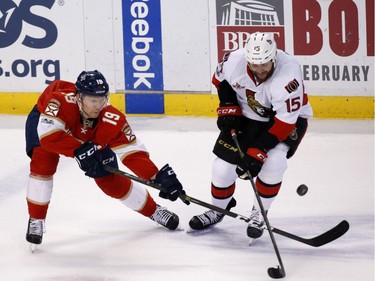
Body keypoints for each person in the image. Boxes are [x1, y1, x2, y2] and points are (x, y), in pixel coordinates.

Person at [25, 70, 185, 246]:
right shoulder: (58, 101)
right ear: (79, 97)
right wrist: (79, 150)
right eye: (93, 100)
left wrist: (156, 176)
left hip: (85, 135)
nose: (98, 105)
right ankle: (36, 218)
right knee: (43, 162)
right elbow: (49, 136)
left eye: (102, 100)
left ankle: (154, 211)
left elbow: (132, 153)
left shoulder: (111, 118)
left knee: (108, 179)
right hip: (48, 123)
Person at [189, 32, 313, 239]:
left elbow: (284, 122)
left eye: (264, 64)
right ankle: (218, 209)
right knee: (221, 168)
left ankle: (260, 214)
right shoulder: (234, 61)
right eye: (254, 65)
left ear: (273, 57)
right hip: (249, 114)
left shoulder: (288, 75)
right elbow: (221, 81)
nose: (259, 69)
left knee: (274, 163)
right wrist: (228, 106)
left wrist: (259, 150)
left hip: (284, 120)